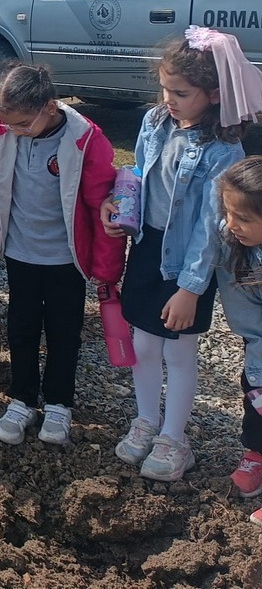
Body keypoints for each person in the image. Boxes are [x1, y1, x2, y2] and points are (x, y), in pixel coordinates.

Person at [102, 27, 260, 482]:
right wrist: (119, 201)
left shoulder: (223, 150)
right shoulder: (155, 121)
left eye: (181, 92)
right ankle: (147, 419)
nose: (168, 98)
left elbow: (212, 228)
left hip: (187, 264)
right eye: (165, 88)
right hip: (149, 248)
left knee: (179, 350)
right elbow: (138, 170)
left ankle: (175, 437)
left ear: (213, 95)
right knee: (145, 343)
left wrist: (191, 289)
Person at [0, 64, 127, 446]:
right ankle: (22, 398)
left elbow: (101, 205)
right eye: (8, 123)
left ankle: (59, 403)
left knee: (64, 333)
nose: (16, 131)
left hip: (65, 259)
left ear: (49, 106)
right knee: (22, 328)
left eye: (24, 123)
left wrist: (106, 267)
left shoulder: (86, 139)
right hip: (21, 252)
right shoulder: (5, 129)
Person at [214, 157, 262, 524]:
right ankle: (256, 455)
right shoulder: (232, 238)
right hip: (256, 342)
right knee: (254, 397)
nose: (232, 224)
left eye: (243, 218)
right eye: (228, 212)